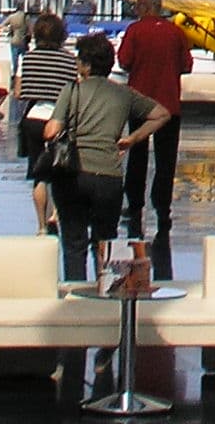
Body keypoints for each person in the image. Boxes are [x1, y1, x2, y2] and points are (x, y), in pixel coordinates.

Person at [41, 34, 171, 284]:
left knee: (73, 243)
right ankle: (105, 289)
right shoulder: (124, 94)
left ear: (86, 65)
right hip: (109, 177)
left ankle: (76, 294)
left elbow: (51, 131)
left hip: (73, 174)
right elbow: (161, 114)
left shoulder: (72, 90)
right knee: (105, 242)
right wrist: (132, 138)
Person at [117, 0, 191, 257]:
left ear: (144, 7)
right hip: (169, 105)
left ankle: (135, 205)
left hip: (140, 103)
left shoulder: (135, 31)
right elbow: (186, 65)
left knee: (136, 155)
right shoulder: (176, 33)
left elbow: (124, 61)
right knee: (166, 160)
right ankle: (162, 208)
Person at [13, 11, 82, 234]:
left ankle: (41, 225)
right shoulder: (70, 60)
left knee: (38, 174)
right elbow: (75, 91)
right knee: (61, 170)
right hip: (60, 120)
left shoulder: (27, 58)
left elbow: (18, 92)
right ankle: (56, 216)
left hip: (33, 118)